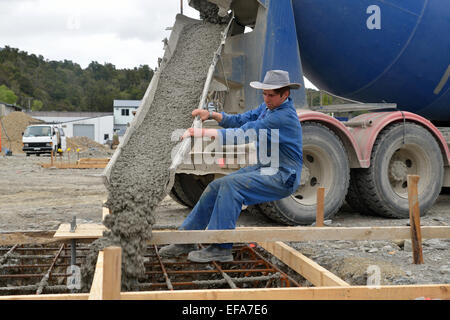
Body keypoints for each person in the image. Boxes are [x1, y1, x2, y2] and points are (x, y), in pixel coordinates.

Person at [159, 70, 303, 262]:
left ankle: (220, 247)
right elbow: (241, 119)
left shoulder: (282, 117)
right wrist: (210, 114)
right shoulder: (268, 108)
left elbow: (242, 134)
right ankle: (187, 238)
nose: (266, 98)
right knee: (215, 186)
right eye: (264, 94)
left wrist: (199, 132)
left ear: (285, 94)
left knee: (231, 187)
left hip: (283, 175)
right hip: (265, 167)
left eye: (271, 95)